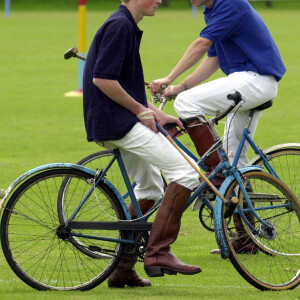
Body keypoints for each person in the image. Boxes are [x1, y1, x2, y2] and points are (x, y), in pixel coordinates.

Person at [150, 0, 286, 253]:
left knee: (187, 104)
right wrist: (178, 87)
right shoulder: (212, 10)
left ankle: (216, 174)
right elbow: (212, 59)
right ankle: (247, 237)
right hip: (248, 82)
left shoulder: (230, 4)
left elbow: (201, 45)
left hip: (253, 80)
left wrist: (169, 78)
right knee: (235, 161)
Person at [83, 0, 201, 288]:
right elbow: (103, 79)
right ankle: (159, 253)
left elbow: (126, 86)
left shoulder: (127, 25)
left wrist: (158, 114)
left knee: (150, 187)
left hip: (117, 120)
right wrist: (139, 111)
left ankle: (122, 269)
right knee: (187, 173)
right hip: (117, 122)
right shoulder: (120, 26)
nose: (160, 0)